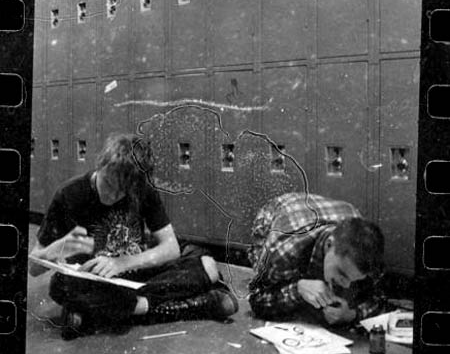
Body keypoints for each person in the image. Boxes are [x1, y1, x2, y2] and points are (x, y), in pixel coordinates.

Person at [29, 133, 238, 339]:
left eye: (121, 192)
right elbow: (34, 268)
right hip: (97, 283)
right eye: (108, 185)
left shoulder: (141, 189)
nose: (112, 196)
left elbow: (171, 247)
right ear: (100, 165)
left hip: (135, 277)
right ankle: (196, 305)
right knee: (59, 286)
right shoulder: (69, 195)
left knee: (207, 264)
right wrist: (54, 250)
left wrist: (122, 263)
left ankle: (97, 314)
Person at [247, 193, 385, 325]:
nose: (346, 286)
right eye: (342, 274)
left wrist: (352, 315)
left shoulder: (368, 255)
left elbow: (380, 302)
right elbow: (256, 299)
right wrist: (298, 289)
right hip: (278, 212)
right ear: (329, 244)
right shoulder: (285, 250)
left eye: (354, 279)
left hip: (333, 211)